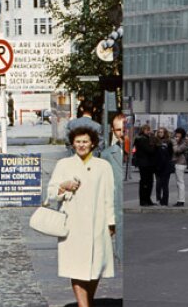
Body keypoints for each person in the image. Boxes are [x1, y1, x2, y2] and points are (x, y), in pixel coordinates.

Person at [48, 126, 115, 307]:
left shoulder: (103, 166)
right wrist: (63, 186)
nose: (81, 145)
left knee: (95, 267)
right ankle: (83, 305)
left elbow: (109, 196)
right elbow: (51, 193)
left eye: (85, 141)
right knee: (75, 267)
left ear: (92, 143)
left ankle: (88, 301)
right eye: (78, 142)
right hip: (73, 224)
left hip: (97, 223)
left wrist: (111, 222)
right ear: (72, 144)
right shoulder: (64, 165)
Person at [100, 113, 125, 264]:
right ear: (113, 131)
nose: (122, 133)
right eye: (118, 130)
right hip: (118, 210)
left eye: (124, 129)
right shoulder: (107, 154)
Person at [133, 124, 156, 206]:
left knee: (147, 182)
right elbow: (150, 150)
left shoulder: (142, 138)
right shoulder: (143, 139)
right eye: (147, 130)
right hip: (145, 163)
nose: (149, 131)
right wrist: (153, 143)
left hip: (144, 163)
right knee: (146, 182)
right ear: (143, 130)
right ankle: (144, 200)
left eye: (149, 130)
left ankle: (146, 200)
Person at [153, 127, 174, 206]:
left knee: (165, 185)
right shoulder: (155, 142)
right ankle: (158, 199)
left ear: (165, 133)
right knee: (158, 184)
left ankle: (165, 201)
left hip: (166, 167)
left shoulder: (168, 142)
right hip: (157, 167)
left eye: (162, 132)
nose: (160, 133)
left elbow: (170, 154)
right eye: (159, 132)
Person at [171, 127, 188, 207]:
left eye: (178, 133)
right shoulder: (181, 141)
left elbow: (177, 150)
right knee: (179, 182)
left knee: (180, 182)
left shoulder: (185, 142)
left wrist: (175, 143)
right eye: (176, 133)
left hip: (181, 163)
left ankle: (181, 200)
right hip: (179, 162)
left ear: (181, 134)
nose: (176, 135)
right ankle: (180, 199)